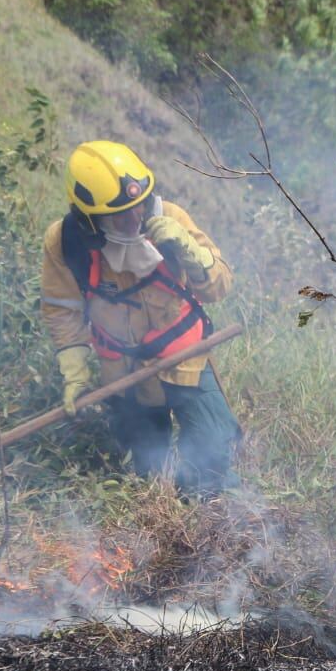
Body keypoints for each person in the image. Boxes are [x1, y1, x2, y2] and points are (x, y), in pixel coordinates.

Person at [40, 140, 240, 497]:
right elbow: (62, 309)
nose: (135, 220)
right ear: (89, 218)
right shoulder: (65, 243)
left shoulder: (171, 219)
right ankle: (164, 516)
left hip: (185, 359)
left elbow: (219, 286)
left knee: (215, 449)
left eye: (140, 206)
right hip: (123, 375)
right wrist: (75, 372)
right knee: (147, 471)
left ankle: (213, 517)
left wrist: (190, 251)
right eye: (120, 214)